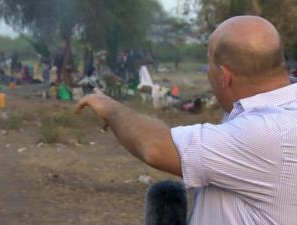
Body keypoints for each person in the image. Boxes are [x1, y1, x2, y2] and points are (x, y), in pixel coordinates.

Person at [76, 16, 297, 225]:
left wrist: (110, 108)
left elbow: (154, 146)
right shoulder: (280, 109)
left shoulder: (268, 132)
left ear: (224, 77)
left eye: (207, 67)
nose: (207, 74)